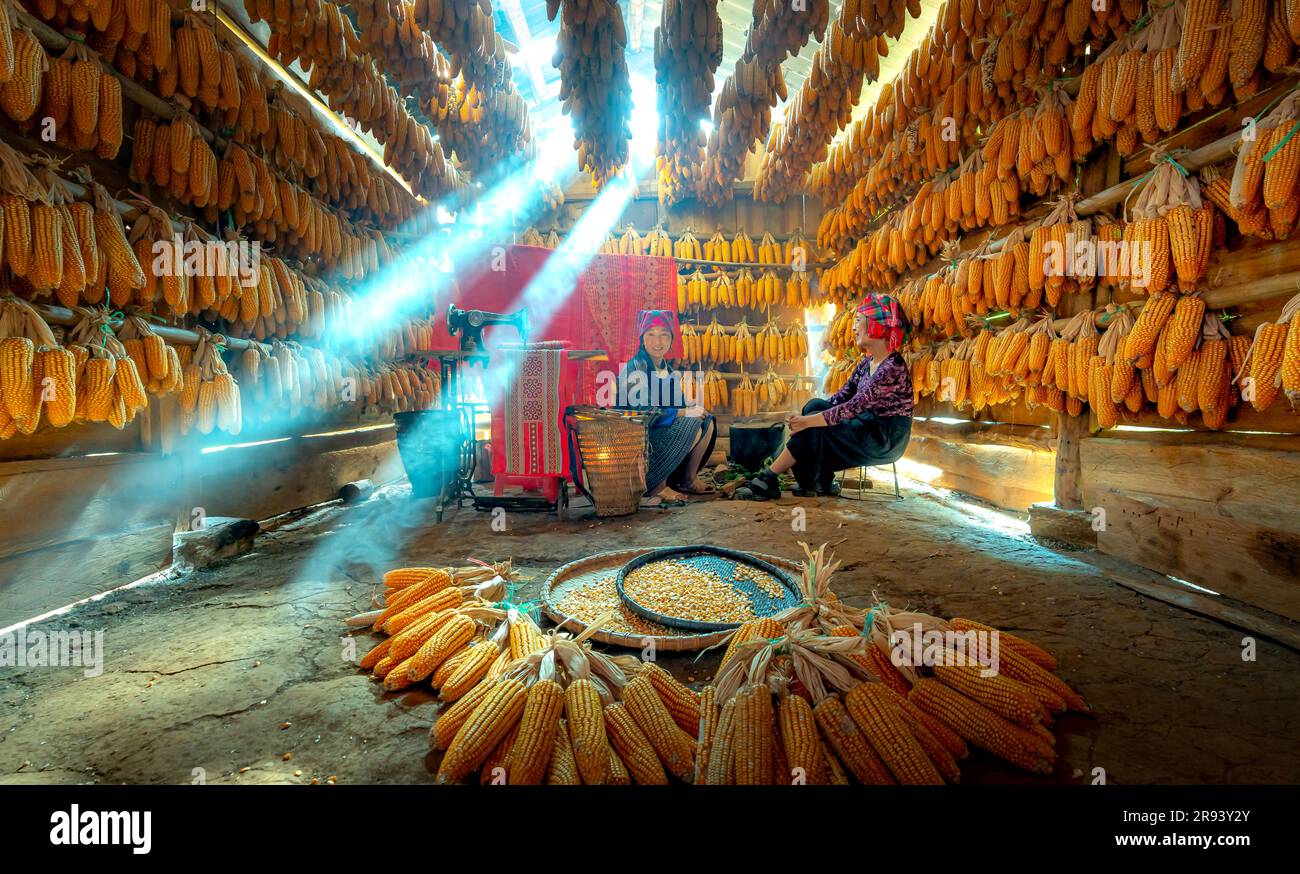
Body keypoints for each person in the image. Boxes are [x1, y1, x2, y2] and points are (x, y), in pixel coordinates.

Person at [746, 293, 914, 500]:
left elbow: (853, 407)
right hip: (864, 427)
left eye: (859, 321)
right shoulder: (866, 364)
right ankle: (817, 480)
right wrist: (811, 415)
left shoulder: (892, 368)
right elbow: (840, 398)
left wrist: (809, 421)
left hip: (884, 437)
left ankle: (769, 477)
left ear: (877, 326)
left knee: (814, 427)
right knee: (815, 405)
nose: (853, 328)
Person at [617, 310, 717, 506]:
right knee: (690, 425)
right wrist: (683, 412)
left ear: (671, 339)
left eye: (664, 334)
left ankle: (688, 479)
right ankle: (657, 485)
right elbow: (643, 413)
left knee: (706, 420)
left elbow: (678, 403)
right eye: (651, 334)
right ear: (642, 338)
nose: (658, 341)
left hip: (657, 429)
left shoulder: (666, 369)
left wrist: (690, 407)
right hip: (635, 438)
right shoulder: (635, 368)